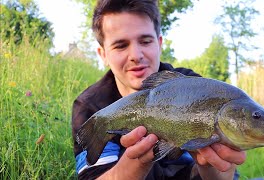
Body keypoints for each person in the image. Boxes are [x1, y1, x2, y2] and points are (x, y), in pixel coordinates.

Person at [71, 0, 246, 179]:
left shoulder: (194, 87)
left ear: (159, 43)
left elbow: (225, 175)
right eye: (121, 45)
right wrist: (137, 161)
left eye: (145, 41)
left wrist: (213, 167)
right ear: (103, 54)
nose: (136, 56)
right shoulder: (92, 108)